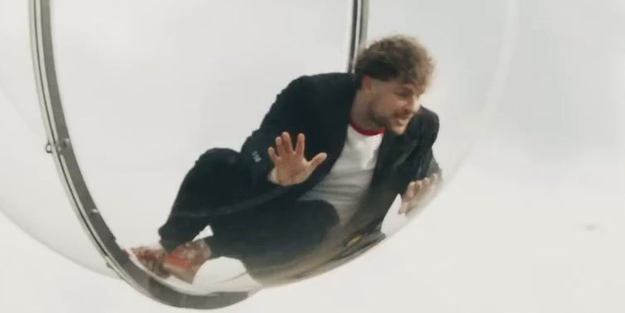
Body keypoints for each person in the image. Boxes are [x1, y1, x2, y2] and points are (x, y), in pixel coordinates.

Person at [129, 35, 443, 286]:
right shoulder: (314, 95)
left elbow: (427, 169)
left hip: (309, 248)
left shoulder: (421, 126)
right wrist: (276, 173)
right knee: (218, 162)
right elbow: (261, 141)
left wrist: (424, 188)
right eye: (403, 94)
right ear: (369, 83)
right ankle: (168, 247)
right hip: (266, 213)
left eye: (419, 96)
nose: (413, 106)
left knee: (320, 216)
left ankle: (208, 248)